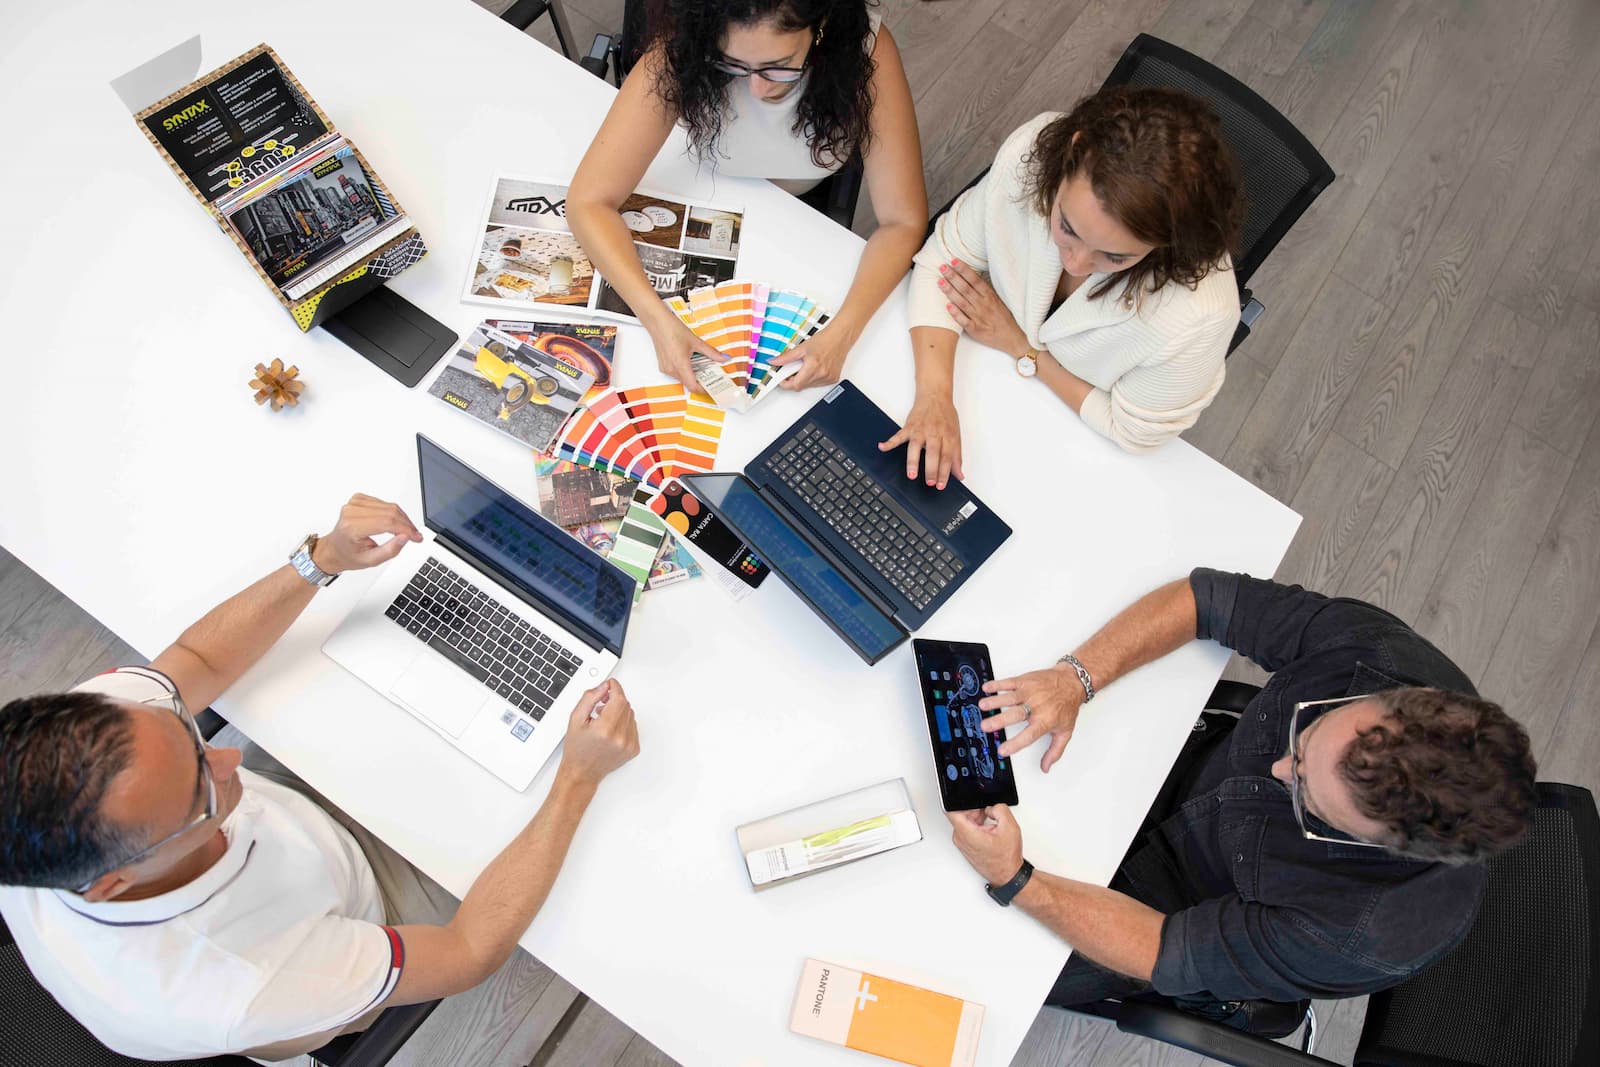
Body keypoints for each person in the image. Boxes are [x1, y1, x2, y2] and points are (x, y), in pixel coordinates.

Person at [0, 494, 640, 1061]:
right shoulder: (253, 981)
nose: (231, 759)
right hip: (359, 921)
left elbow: (192, 662)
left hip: (296, 837)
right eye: (201, 789)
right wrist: (577, 777)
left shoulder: (67, 754)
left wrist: (321, 560)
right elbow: (470, 952)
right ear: (114, 882)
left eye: (188, 738)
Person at [944, 569, 1536, 1017]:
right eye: (1309, 732)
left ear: (1383, 845)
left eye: (1307, 797)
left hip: (1168, 907)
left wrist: (1018, 879)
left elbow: (1161, 949)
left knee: (954, 959)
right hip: (1177, 766)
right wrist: (1077, 677)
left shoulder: (1360, 934)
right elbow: (1207, 600)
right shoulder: (1380, 657)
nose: (1280, 768)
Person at [886, 88, 1244, 486]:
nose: (1074, 262)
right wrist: (935, 397)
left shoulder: (1201, 314)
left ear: (1167, 244)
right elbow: (945, 259)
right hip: (983, 379)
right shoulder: (1031, 156)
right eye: (1067, 228)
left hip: (1069, 452)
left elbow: (1132, 431)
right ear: (1072, 153)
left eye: (1115, 257)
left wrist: (1022, 348)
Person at [568, 0, 927, 393]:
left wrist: (843, 333)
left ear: (820, 28)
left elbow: (903, 220)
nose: (757, 87)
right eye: (733, 64)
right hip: (706, 187)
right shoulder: (684, 45)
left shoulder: (866, 51)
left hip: (797, 220)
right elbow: (588, 201)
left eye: (780, 66)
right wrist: (658, 321)